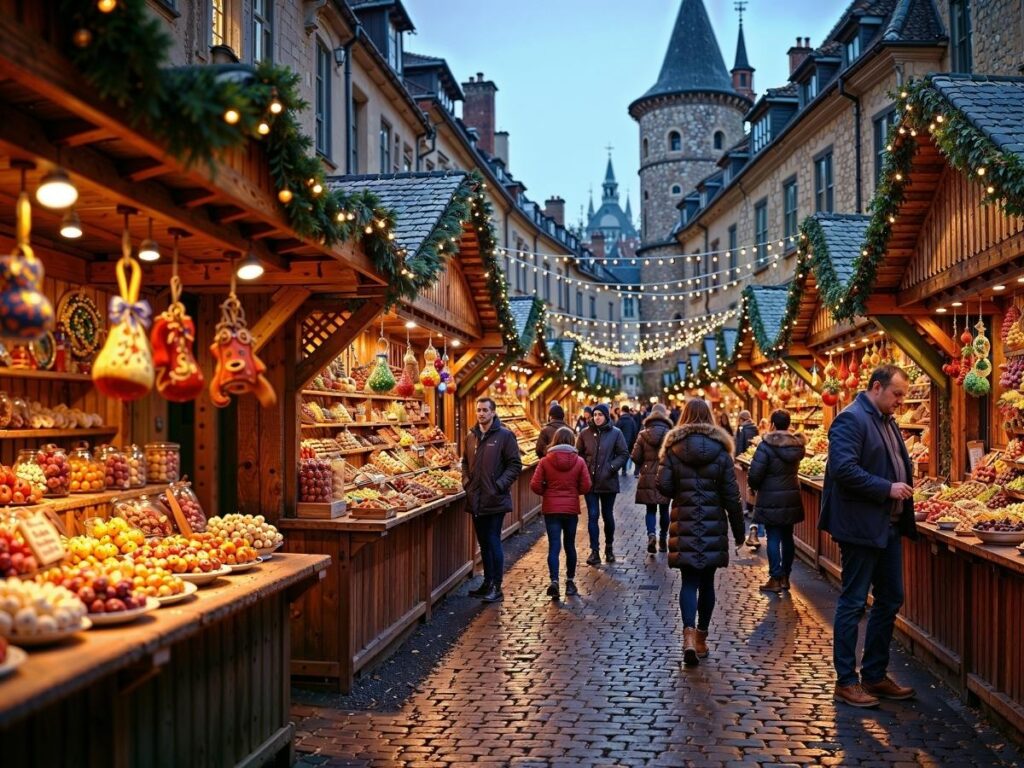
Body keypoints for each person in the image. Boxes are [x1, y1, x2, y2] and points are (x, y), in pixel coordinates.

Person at [820, 365, 917, 708]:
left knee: (891, 598)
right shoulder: (851, 419)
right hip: (861, 528)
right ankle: (846, 681)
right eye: (897, 394)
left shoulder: (886, 420)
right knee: (854, 601)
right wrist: (887, 488)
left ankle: (874, 675)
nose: (901, 401)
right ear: (877, 387)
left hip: (888, 527)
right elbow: (844, 470)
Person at [657, 398, 744, 667]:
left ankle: (688, 637)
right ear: (710, 417)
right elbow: (731, 495)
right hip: (712, 523)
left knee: (689, 582)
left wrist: (680, 490)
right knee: (707, 583)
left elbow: (663, 485)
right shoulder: (720, 450)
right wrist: (739, 530)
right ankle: (702, 639)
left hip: (683, 521)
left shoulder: (673, 448)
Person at [461, 396, 523, 603]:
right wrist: (466, 482)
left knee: (494, 541)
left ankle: (497, 586)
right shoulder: (471, 437)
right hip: (476, 498)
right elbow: (464, 462)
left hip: (494, 499)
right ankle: (487, 582)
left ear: (493, 412)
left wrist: (498, 485)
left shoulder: (505, 436)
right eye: (478, 410)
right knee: (484, 543)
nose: (481, 413)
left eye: (485, 410)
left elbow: (515, 465)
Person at [747, 409, 806, 594]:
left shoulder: (766, 445)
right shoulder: (797, 445)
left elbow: (755, 474)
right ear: (788, 424)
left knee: (773, 537)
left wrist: (754, 486)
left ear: (772, 424)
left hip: (770, 497)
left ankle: (775, 577)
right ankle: (786, 577)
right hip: (791, 497)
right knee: (788, 537)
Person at [530, 427, 591, 599]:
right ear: (572, 440)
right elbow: (586, 486)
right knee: (570, 545)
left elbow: (534, 485)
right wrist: (573, 492)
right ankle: (570, 582)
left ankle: (554, 580)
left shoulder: (545, 461)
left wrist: (547, 492)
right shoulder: (579, 461)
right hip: (570, 509)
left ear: (554, 440)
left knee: (554, 545)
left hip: (551, 509)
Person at [576, 403, 629, 565]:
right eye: (595, 414)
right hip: (590, 483)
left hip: (608, 481)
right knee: (592, 516)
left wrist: (611, 467)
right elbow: (578, 454)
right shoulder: (585, 433)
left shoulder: (616, 433)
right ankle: (594, 551)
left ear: (606, 416)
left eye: (600, 414)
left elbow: (623, 453)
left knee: (607, 516)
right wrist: (584, 467)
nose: (597, 417)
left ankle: (609, 548)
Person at [632, 402, 674, 554]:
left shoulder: (643, 434)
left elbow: (635, 457)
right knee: (664, 509)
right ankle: (663, 538)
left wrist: (644, 463)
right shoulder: (671, 434)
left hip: (648, 477)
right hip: (666, 476)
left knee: (650, 509)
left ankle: (651, 535)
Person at [734, 410, 761, 550]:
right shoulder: (755, 427)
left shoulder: (743, 428)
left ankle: (755, 529)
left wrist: (738, 457)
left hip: (747, 462)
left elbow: (740, 444)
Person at [617, 405, 640, 475]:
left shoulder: (620, 420)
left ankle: (623, 470)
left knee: (622, 456)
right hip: (631, 442)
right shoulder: (632, 420)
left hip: (622, 442)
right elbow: (635, 430)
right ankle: (635, 470)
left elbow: (616, 431)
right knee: (631, 456)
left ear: (622, 411)